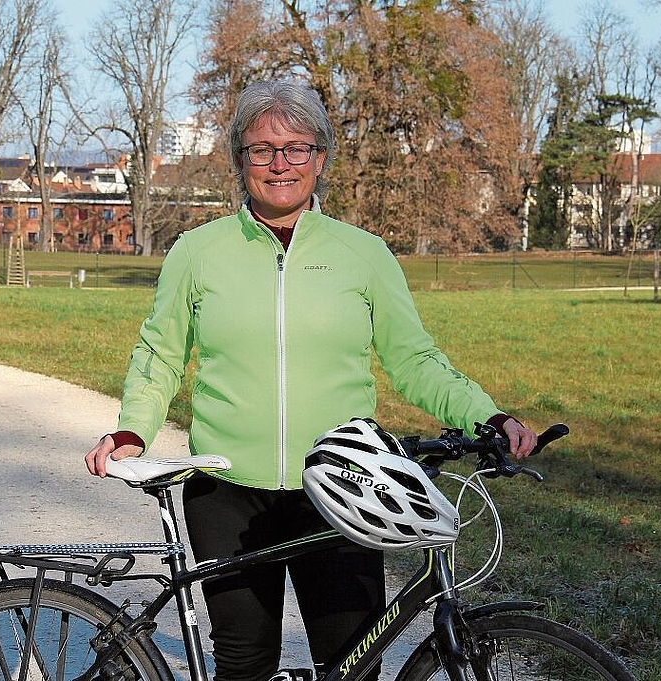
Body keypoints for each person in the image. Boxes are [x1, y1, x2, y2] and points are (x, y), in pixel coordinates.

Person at [85, 79, 537, 681]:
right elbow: (160, 352)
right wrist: (132, 430)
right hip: (227, 488)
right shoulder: (196, 252)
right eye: (261, 148)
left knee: (351, 663)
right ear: (239, 160)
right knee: (243, 663)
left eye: (296, 147)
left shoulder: (364, 253)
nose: (280, 163)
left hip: (347, 486)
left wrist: (487, 415)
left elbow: (414, 358)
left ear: (320, 159)